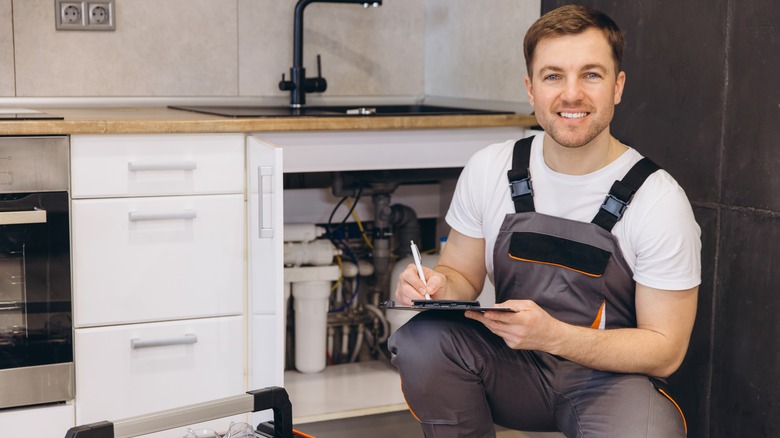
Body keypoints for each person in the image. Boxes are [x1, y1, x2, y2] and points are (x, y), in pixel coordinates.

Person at [388, 5, 701, 438]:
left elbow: (666, 350)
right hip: (512, 370)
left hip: (608, 382)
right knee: (423, 341)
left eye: (591, 74)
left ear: (618, 87)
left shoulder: (658, 199)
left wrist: (553, 336)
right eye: (553, 76)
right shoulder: (490, 168)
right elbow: (461, 273)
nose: (571, 94)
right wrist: (437, 285)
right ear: (530, 89)